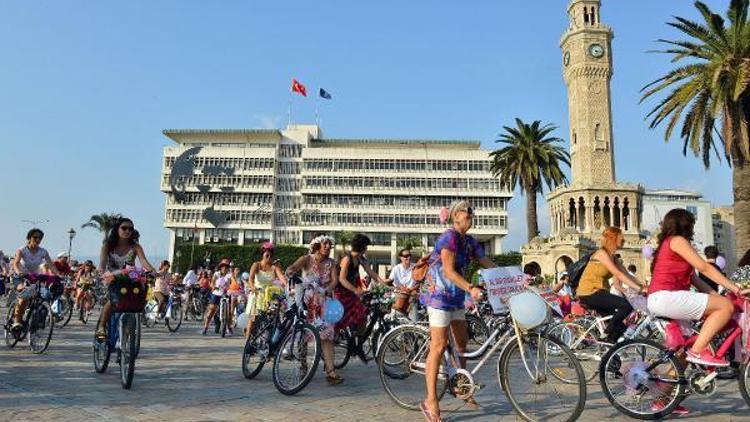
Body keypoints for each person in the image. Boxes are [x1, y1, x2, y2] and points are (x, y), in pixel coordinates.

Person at [421, 201, 497, 421]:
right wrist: (471, 287)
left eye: (473, 212)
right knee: (438, 345)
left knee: (462, 341)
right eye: (468, 212)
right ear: (456, 217)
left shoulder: (469, 241)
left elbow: (483, 260)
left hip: (455, 296)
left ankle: (460, 385)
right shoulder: (449, 237)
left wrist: (510, 276)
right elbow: (448, 270)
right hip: (438, 296)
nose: (472, 215)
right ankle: (431, 400)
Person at [647, 209, 749, 368]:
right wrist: (735, 288)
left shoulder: (672, 243)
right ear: (685, 225)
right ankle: (699, 350)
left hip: (663, 298)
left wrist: (719, 296)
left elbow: (695, 280)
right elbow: (704, 267)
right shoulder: (678, 240)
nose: (693, 229)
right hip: (665, 297)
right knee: (726, 307)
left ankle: (666, 389)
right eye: (692, 224)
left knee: (686, 348)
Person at [286, 234, 342, 385]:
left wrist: (326, 290)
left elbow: (335, 281)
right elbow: (293, 268)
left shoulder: (332, 263)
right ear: (317, 245)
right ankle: (303, 364)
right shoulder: (307, 259)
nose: (328, 247)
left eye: (330, 245)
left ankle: (331, 372)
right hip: (307, 301)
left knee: (327, 336)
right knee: (303, 333)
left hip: (324, 302)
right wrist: (290, 272)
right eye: (326, 244)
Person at [576, 227, 645, 344]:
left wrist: (645, 286)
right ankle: (605, 335)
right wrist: (639, 289)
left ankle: (610, 350)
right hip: (589, 292)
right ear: (613, 239)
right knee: (626, 306)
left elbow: (626, 274)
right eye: (621, 238)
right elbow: (618, 274)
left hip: (599, 292)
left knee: (620, 326)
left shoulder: (612, 256)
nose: (623, 240)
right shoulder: (601, 254)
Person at [97, 217, 156, 341]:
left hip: (130, 277)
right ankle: (101, 327)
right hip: (111, 277)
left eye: (130, 228)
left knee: (139, 294)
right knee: (111, 301)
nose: (127, 231)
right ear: (117, 229)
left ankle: (130, 329)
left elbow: (144, 262)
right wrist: (101, 271)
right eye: (124, 228)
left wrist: (152, 271)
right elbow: (102, 263)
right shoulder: (107, 245)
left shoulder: (135, 247)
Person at [337, 234, 387, 359]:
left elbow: (371, 273)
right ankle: (339, 338)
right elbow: (341, 279)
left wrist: (384, 284)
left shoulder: (360, 258)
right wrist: (356, 290)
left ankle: (358, 345)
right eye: (366, 246)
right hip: (341, 293)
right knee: (341, 320)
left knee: (362, 316)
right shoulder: (347, 259)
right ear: (363, 247)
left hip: (351, 293)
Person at [10, 228, 61, 329]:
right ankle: (16, 321)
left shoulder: (43, 252)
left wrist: (58, 274)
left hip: (34, 277)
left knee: (44, 295)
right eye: (35, 237)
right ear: (29, 238)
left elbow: (50, 264)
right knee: (25, 294)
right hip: (20, 277)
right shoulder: (22, 250)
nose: (38, 239)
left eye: (40, 238)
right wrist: (18, 271)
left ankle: (35, 318)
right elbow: (15, 263)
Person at [245, 242, 287, 338]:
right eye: (267, 254)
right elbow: (250, 279)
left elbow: (282, 278)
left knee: (272, 318)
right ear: (262, 254)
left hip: (269, 296)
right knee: (253, 319)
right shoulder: (256, 265)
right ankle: (248, 343)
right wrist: (252, 287)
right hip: (257, 294)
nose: (269, 257)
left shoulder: (275, 267)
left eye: (271, 255)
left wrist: (289, 287)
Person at [202, 259, 231, 335]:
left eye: (226, 266)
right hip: (216, 293)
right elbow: (212, 283)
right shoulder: (216, 274)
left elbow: (232, 283)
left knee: (229, 311)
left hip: (225, 294)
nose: (225, 268)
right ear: (221, 267)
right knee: (211, 310)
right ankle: (205, 328)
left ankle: (228, 327)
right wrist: (213, 287)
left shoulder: (229, 275)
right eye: (223, 266)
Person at [387, 248, 418, 319]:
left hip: (411, 298)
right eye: (406, 256)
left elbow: (420, 281)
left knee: (413, 323)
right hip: (398, 297)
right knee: (395, 321)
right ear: (400, 257)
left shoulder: (415, 267)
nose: (409, 257)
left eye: (410, 255)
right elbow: (390, 281)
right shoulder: (396, 268)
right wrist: (400, 288)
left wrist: (412, 289)